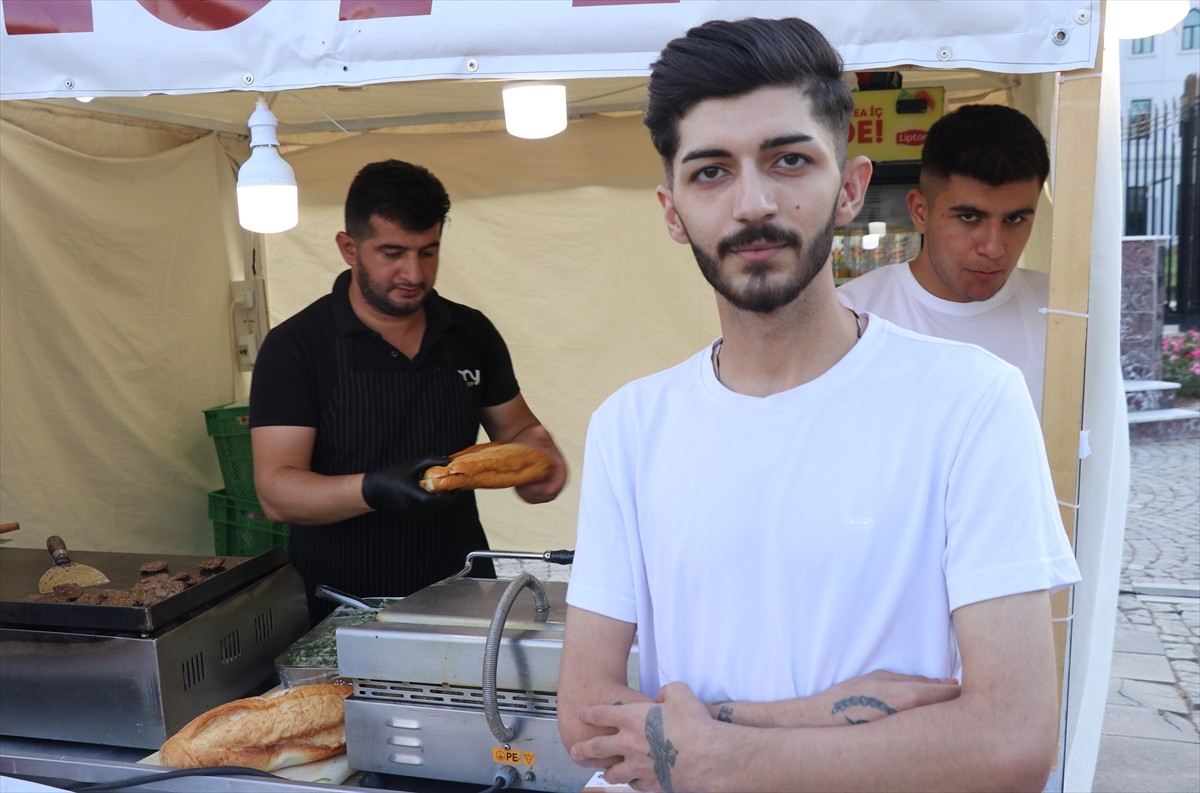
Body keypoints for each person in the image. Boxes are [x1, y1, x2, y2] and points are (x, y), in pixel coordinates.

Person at [557, 17, 1080, 792]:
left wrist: (717, 750)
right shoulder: (631, 425)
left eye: (790, 160)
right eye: (711, 173)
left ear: (851, 188)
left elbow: (1014, 741)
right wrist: (818, 715)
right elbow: (587, 719)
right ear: (673, 213)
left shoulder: (970, 401)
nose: (753, 202)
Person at [249, 159, 567, 625]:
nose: (414, 274)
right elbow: (277, 491)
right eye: (393, 253)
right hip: (339, 603)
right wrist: (374, 488)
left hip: (462, 590)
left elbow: (518, 428)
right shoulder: (297, 346)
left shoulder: (470, 332)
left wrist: (539, 464)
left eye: (428, 252)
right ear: (348, 248)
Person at [838, 103, 1051, 419]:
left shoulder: (1061, 312)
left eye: (1015, 219)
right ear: (920, 212)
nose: (993, 247)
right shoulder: (848, 317)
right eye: (969, 217)